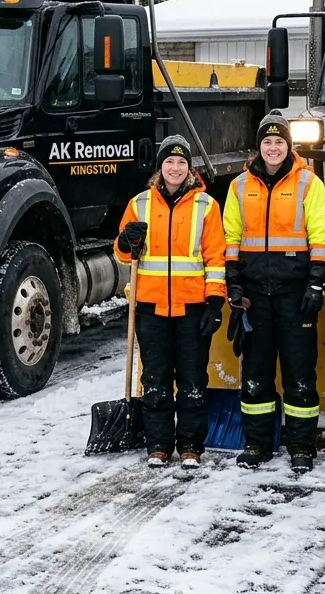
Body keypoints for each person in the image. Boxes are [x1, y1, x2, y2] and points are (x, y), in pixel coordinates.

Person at [223, 113, 325, 474]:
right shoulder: (239, 186)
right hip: (254, 296)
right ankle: (257, 443)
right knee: (255, 373)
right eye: (267, 142)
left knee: (300, 373)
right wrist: (234, 284)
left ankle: (301, 446)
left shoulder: (308, 183)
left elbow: (321, 235)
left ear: (290, 146)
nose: (273, 148)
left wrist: (316, 283)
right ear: (259, 147)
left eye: (279, 142)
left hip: (295, 293)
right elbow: (231, 239)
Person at [114, 135, 227, 470]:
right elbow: (122, 255)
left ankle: (191, 445)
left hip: (192, 309)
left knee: (193, 380)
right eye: (169, 162)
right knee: (156, 380)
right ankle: (159, 445)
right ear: (159, 167)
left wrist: (214, 302)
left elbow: (215, 259)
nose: (175, 168)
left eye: (181, 163)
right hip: (151, 309)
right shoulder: (140, 204)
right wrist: (125, 241)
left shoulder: (206, 205)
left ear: (189, 168)